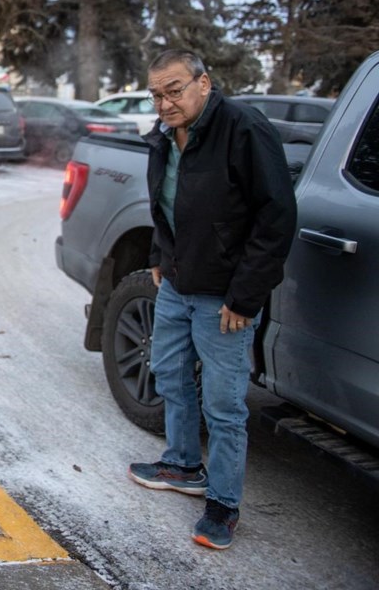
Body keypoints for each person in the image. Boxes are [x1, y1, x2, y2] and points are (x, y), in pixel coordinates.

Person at [127, 49, 297, 550]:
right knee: (171, 376)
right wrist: (161, 255)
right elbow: (168, 200)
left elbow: (277, 217)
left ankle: (223, 504)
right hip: (177, 284)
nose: (164, 103)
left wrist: (245, 298)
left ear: (205, 83)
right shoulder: (164, 136)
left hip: (225, 296)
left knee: (224, 406)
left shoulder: (243, 128)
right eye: (156, 94)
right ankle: (182, 465)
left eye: (174, 90)